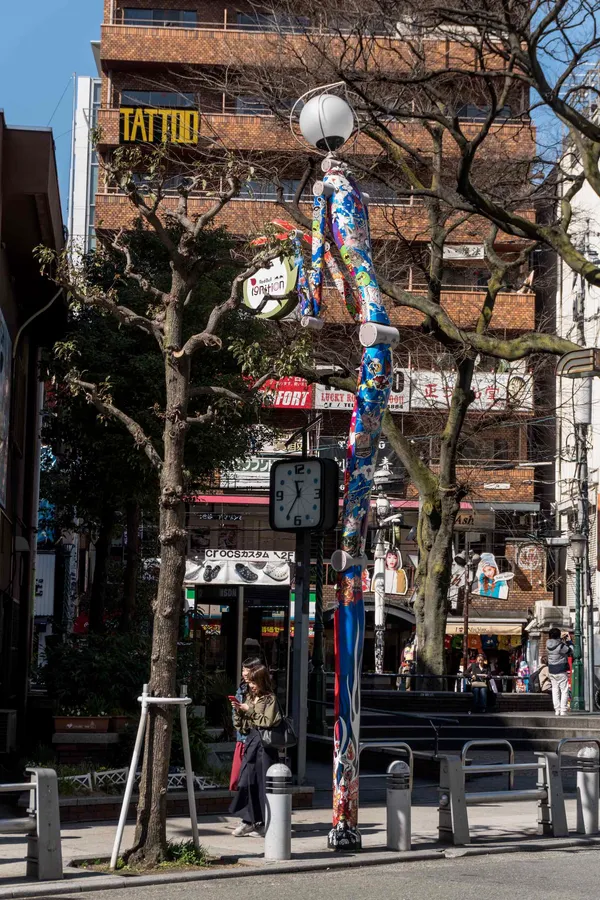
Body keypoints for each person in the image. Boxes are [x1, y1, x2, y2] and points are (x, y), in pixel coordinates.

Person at [229, 664, 281, 836]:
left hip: (265, 744)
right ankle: (249, 820)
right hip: (251, 741)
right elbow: (243, 727)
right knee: (246, 781)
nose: (251, 685)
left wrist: (248, 710)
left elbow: (267, 721)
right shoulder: (250, 697)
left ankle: (262, 821)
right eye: (250, 682)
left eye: (254, 681)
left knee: (263, 783)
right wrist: (238, 711)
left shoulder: (269, 699)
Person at [229, 657, 262, 792]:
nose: (244, 673)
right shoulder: (242, 689)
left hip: (257, 739)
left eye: (247, 669)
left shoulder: (264, 694)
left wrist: (248, 710)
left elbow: (264, 718)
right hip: (243, 738)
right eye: (243, 669)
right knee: (240, 778)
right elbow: (236, 720)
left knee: (252, 778)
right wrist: (237, 710)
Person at [546, 627, 573, 716]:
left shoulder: (547, 645)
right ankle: (563, 710)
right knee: (564, 690)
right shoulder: (561, 645)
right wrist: (568, 641)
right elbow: (570, 651)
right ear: (558, 635)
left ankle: (557, 710)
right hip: (561, 669)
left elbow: (555, 645)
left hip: (551, 670)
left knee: (555, 690)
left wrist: (561, 640)